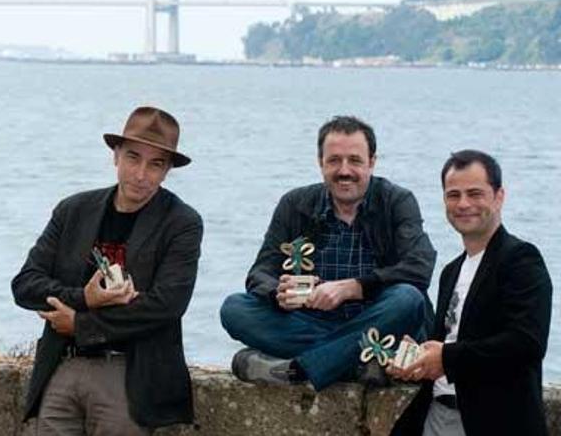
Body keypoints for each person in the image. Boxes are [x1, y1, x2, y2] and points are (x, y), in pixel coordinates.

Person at [11, 105, 203, 435]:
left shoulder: (182, 222)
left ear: (168, 170)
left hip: (130, 372)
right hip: (64, 364)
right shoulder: (73, 210)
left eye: (155, 164)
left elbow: (167, 305)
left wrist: (81, 323)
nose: (141, 174)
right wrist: (85, 298)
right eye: (133, 158)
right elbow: (26, 285)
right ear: (115, 156)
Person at [220, 115, 436, 390]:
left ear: (372, 162)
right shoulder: (295, 204)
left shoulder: (397, 201)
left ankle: (298, 369)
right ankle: (358, 362)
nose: (344, 170)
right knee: (234, 309)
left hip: (381, 321)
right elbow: (259, 273)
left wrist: (352, 288)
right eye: (334, 160)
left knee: (408, 298)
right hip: (316, 323)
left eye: (355, 160)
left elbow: (419, 268)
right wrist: (278, 292)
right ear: (320, 162)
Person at [391, 150, 552, 435]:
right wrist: (419, 358)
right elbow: (451, 341)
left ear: (499, 196)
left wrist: (446, 359)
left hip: (491, 420)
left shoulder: (521, 259)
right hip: (435, 415)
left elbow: (527, 343)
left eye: (475, 193)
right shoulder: (450, 271)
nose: (463, 204)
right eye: (453, 195)